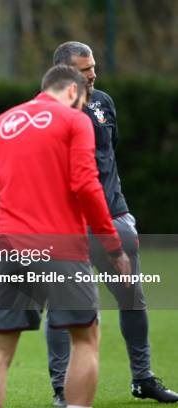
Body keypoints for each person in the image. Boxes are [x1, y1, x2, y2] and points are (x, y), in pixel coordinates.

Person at [0, 65, 132, 408]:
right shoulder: (74, 120)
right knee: (86, 339)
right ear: (74, 92)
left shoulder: (0, 125)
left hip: (11, 252)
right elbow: (86, 185)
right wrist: (112, 246)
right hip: (64, 251)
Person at [44, 41, 178, 406]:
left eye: (93, 67)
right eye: (84, 69)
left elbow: (108, 155)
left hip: (115, 217)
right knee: (62, 307)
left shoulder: (103, 102)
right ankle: (62, 388)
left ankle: (143, 378)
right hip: (68, 225)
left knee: (132, 299)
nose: (93, 74)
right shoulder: (45, 114)